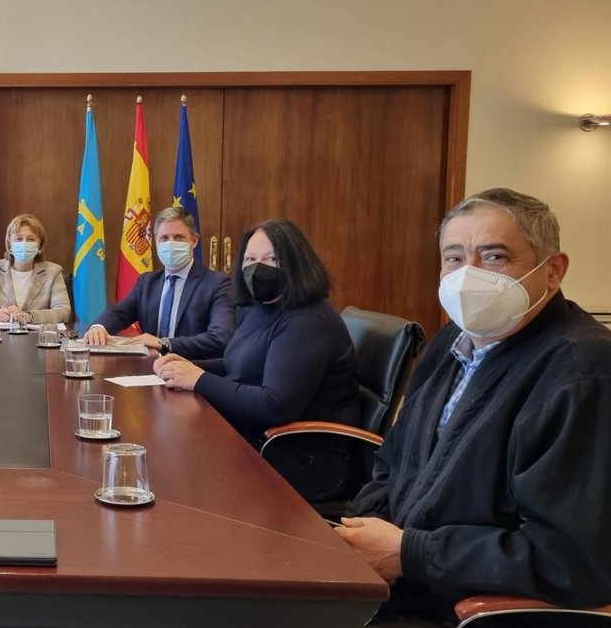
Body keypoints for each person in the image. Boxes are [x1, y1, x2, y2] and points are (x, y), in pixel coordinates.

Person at [336, 188, 611, 626]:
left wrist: (409, 553)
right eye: (454, 258)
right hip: (393, 583)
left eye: (495, 256)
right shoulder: (452, 341)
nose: (469, 275)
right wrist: (362, 532)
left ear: (553, 270)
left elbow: (570, 560)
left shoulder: (582, 375)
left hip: (458, 608)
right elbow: (394, 461)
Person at [153, 218, 361, 500]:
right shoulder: (262, 308)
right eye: (250, 259)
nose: (258, 268)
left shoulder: (308, 321)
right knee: (168, 445)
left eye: (271, 259)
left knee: (181, 467)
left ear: (297, 263)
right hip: (259, 437)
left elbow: (274, 406)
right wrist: (184, 368)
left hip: (306, 458)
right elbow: (236, 364)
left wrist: (199, 380)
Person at [83, 206, 234, 358]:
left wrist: (164, 344)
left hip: (193, 367)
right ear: (156, 241)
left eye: (179, 237)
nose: (171, 244)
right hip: (150, 366)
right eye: (164, 238)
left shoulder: (217, 284)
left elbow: (220, 338)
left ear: (194, 241)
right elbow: (119, 313)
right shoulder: (147, 282)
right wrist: (99, 327)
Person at [0, 213, 72, 324]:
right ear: (9, 243)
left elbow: (64, 312)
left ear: (39, 245)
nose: (24, 243)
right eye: (19, 239)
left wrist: (29, 316)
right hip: (0, 334)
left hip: (36, 335)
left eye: (30, 239)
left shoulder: (53, 272)